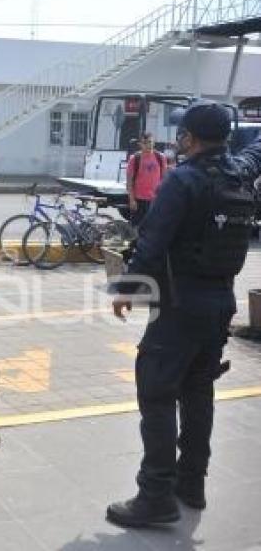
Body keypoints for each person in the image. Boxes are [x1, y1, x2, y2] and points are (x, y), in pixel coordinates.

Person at [107, 101, 261, 528]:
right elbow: (256, 152)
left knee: (157, 393)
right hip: (219, 307)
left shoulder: (183, 180)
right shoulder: (241, 173)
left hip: (178, 307)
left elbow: (153, 240)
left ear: (188, 138)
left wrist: (125, 288)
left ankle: (155, 494)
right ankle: (192, 482)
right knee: (198, 392)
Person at [126, 132, 168, 227]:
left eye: (150, 142)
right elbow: (129, 182)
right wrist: (132, 200)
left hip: (155, 200)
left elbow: (165, 180)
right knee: (136, 230)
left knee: (154, 228)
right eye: (145, 143)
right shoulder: (135, 158)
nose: (148, 145)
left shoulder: (160, 157)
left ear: (153, 142)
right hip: (138, 200)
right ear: (140, 144)